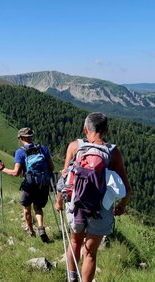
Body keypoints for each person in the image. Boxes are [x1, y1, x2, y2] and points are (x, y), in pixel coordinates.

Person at [55, 112, 132, 282]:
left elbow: (65, 179)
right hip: (101, 208)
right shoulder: (113, 152)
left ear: (85, 129)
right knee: (90, 252)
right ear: (106, 131)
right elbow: (127, 188)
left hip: (76, 204)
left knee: (75, 242)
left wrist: (59, 202)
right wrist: (122, 205)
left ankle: (72, 278)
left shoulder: (74, 147)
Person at [0, 127, 54, 243]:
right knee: (37, 207)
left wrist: (2, 169)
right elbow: (51, 167)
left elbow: (16, 173)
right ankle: (41, 228)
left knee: (27, 209)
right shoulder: (42, 148)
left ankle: (31, 231)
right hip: (42, 183)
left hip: (29, 185)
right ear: (31, 136)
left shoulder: (20, 152)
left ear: (21, 138)